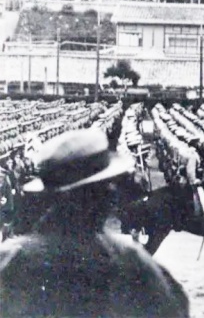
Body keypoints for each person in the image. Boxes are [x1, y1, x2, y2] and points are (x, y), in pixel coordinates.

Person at [0, 128, 190, 317]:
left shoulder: (11, 260)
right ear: (101, 196)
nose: (112, 192)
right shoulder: (131, 263)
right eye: (108, 186)